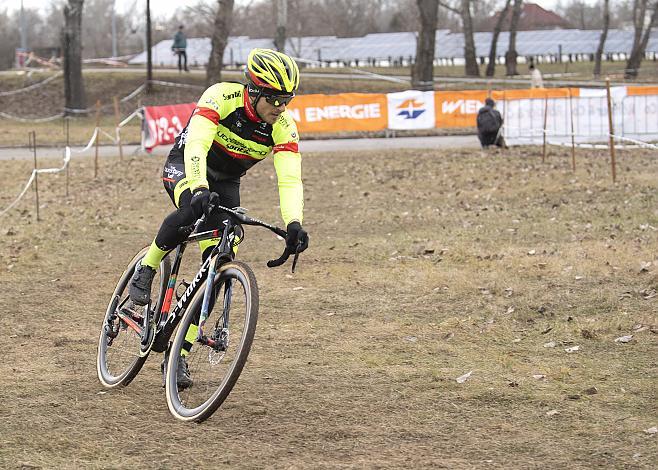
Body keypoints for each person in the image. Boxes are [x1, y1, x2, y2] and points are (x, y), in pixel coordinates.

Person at [129, 48, 309, 387]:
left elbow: (290, 178)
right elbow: (196, 143)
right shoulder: (221, 96)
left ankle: (178, 354)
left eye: (287, 100)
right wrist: (197, 187)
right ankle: (147, 267)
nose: (281, 107)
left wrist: (294, 223)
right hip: (187, 165)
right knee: (191, 210)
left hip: (226, 182)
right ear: (254, 91)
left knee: (221, 261)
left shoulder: (283, 127)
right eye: (274, 99)